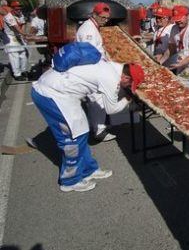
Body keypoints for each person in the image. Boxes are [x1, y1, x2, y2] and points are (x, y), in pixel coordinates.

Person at [31, 60, 144, 192]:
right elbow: (111, 109)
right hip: (50, 94)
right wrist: (127, 99)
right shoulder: (111, 78)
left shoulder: (113, 66)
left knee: (82, 131)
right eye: (130, 83)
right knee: (71, 139)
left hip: (61, 91)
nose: (129, 87)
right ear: (126, 77)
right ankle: (69, 181)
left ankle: (88, 169)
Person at [75, 2, 113, 141]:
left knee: (95, 100)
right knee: (97, 100)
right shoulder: (88, 31)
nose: (105, 20)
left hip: (95, 68)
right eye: (103, 18)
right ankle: (98, 132)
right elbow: (89, 55)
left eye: (107, 18)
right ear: (94, 15)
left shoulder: (93, 26)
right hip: (91, 69)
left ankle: (96, 126)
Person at [3, 1, 31, 81]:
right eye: (17, 9)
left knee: (23, 54)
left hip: (18, 36)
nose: (19, 11)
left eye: (20, 9)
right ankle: (17, 74)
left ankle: (23, 70)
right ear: (12, 9)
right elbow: (16, 28)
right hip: (10, 37)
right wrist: (26, 35)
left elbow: (22, 25)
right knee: (14, 56)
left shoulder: (20, 14)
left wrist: (23, 35)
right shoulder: (9, 17)